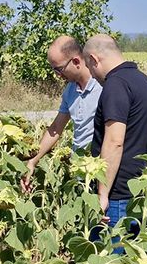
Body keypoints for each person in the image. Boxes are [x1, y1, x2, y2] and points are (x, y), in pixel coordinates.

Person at [83, 34, 147, 264]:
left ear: (94, 60)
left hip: (117, 197)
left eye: (91, 68)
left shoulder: (115, 86)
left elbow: (114, 141)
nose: (93, 75)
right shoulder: (146, 83)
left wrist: (102, 193)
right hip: (142, 195)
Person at [20, 36, 102, 193]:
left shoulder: (103, 86)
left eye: (59, 69)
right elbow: (56, 128)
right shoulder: (70, 90)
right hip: (80, 173)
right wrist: (32, 161)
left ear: (76, 62)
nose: (57, 75)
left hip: (100, 171)